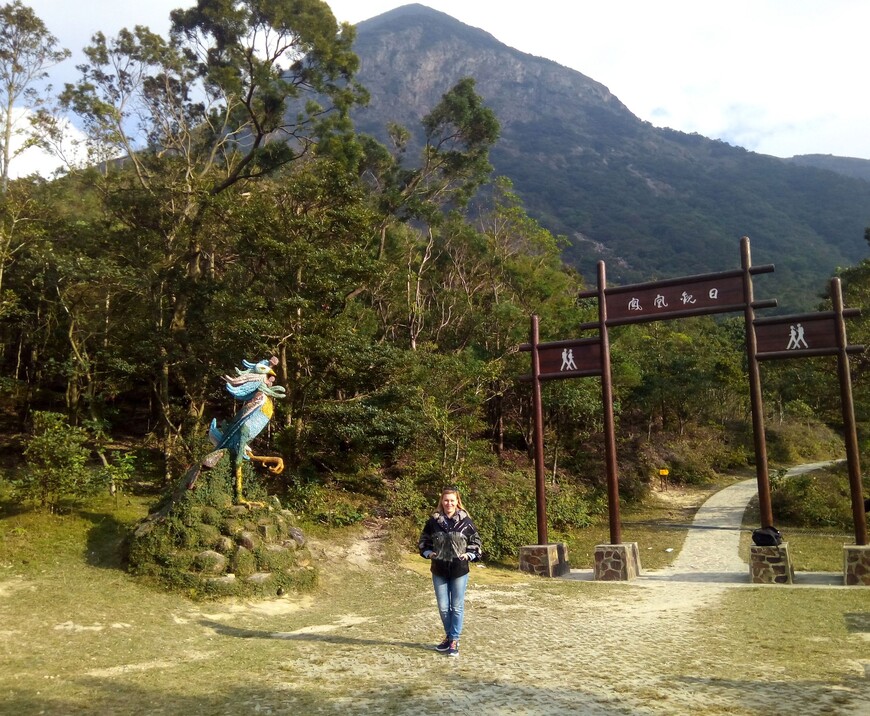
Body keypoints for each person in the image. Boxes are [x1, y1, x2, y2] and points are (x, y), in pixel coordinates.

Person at [418, 486, 482, 657]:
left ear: (457, 502)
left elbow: (476, 542)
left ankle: (454, 639)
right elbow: (424, 540)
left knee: (457, 607)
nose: (449, 503)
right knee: (444, 607)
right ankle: (449, 636)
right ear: (442, 501)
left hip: (459, 570)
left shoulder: (465, 522)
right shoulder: (433, 521)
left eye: (452, 500)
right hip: (438, 569)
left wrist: (469, 554)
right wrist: (427, 552)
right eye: (446, 500)